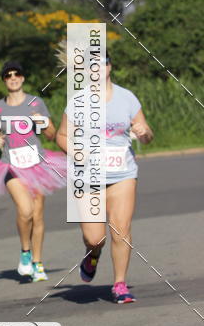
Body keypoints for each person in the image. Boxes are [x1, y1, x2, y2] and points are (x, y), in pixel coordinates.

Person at [56, 53, 154, 303]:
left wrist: (144, 133)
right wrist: (76, 150)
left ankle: (120, 284)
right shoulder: (78, 101)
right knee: (94, 237)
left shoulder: (127, 98)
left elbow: (146, 133)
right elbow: (62, 135)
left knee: (121, 229)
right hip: (88, 177)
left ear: (110, 67)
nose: (98, 68)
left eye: (102, 63)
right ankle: (92, 255)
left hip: (123, 173)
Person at [0, 60, 66, 282]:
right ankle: (25, 252)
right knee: (25, 210)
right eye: (8, 75)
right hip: (11, 164)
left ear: (22, 78)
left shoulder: (35, 102)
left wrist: (42, 122)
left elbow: (51, 135)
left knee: (38, 215)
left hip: (36, 164)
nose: (13, 77)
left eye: (17, 74)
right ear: (4, 80)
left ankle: (38, 263)